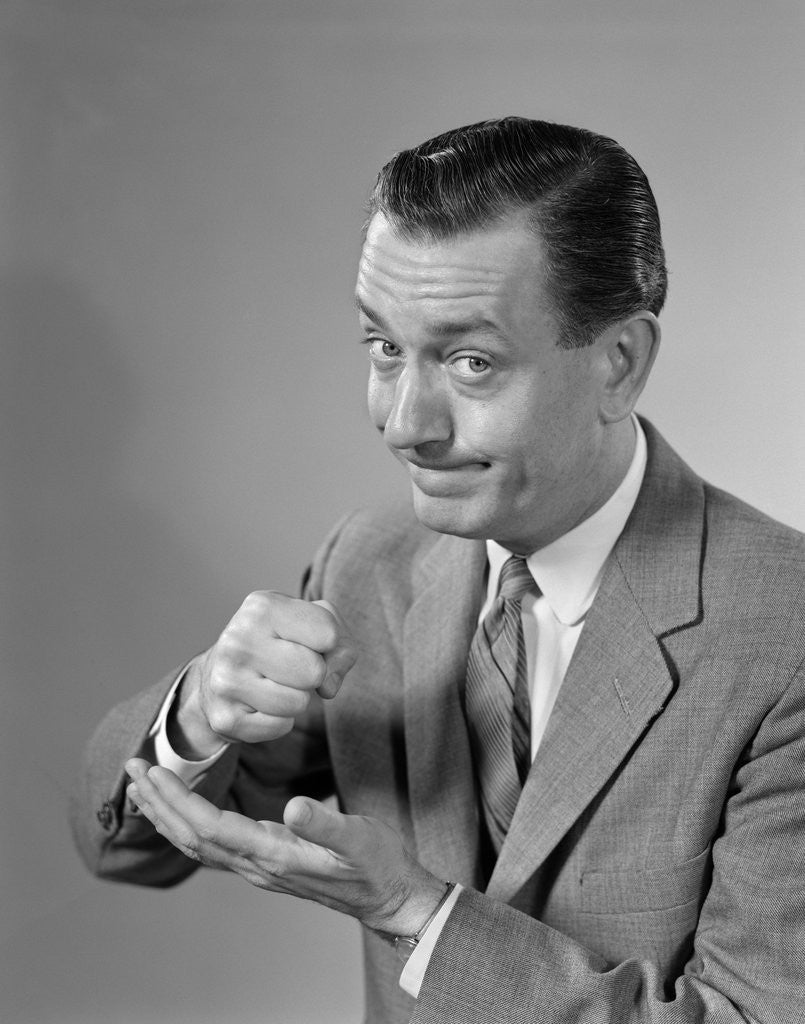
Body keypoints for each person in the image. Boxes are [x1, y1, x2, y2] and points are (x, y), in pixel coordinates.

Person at [72, 117, 805, 1024]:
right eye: (383, 348)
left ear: (619, 364)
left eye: (470, 362)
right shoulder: (365, 568)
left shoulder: (786, 633)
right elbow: (124, 854)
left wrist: (413, 913)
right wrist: (194, 718)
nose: (403, 423)